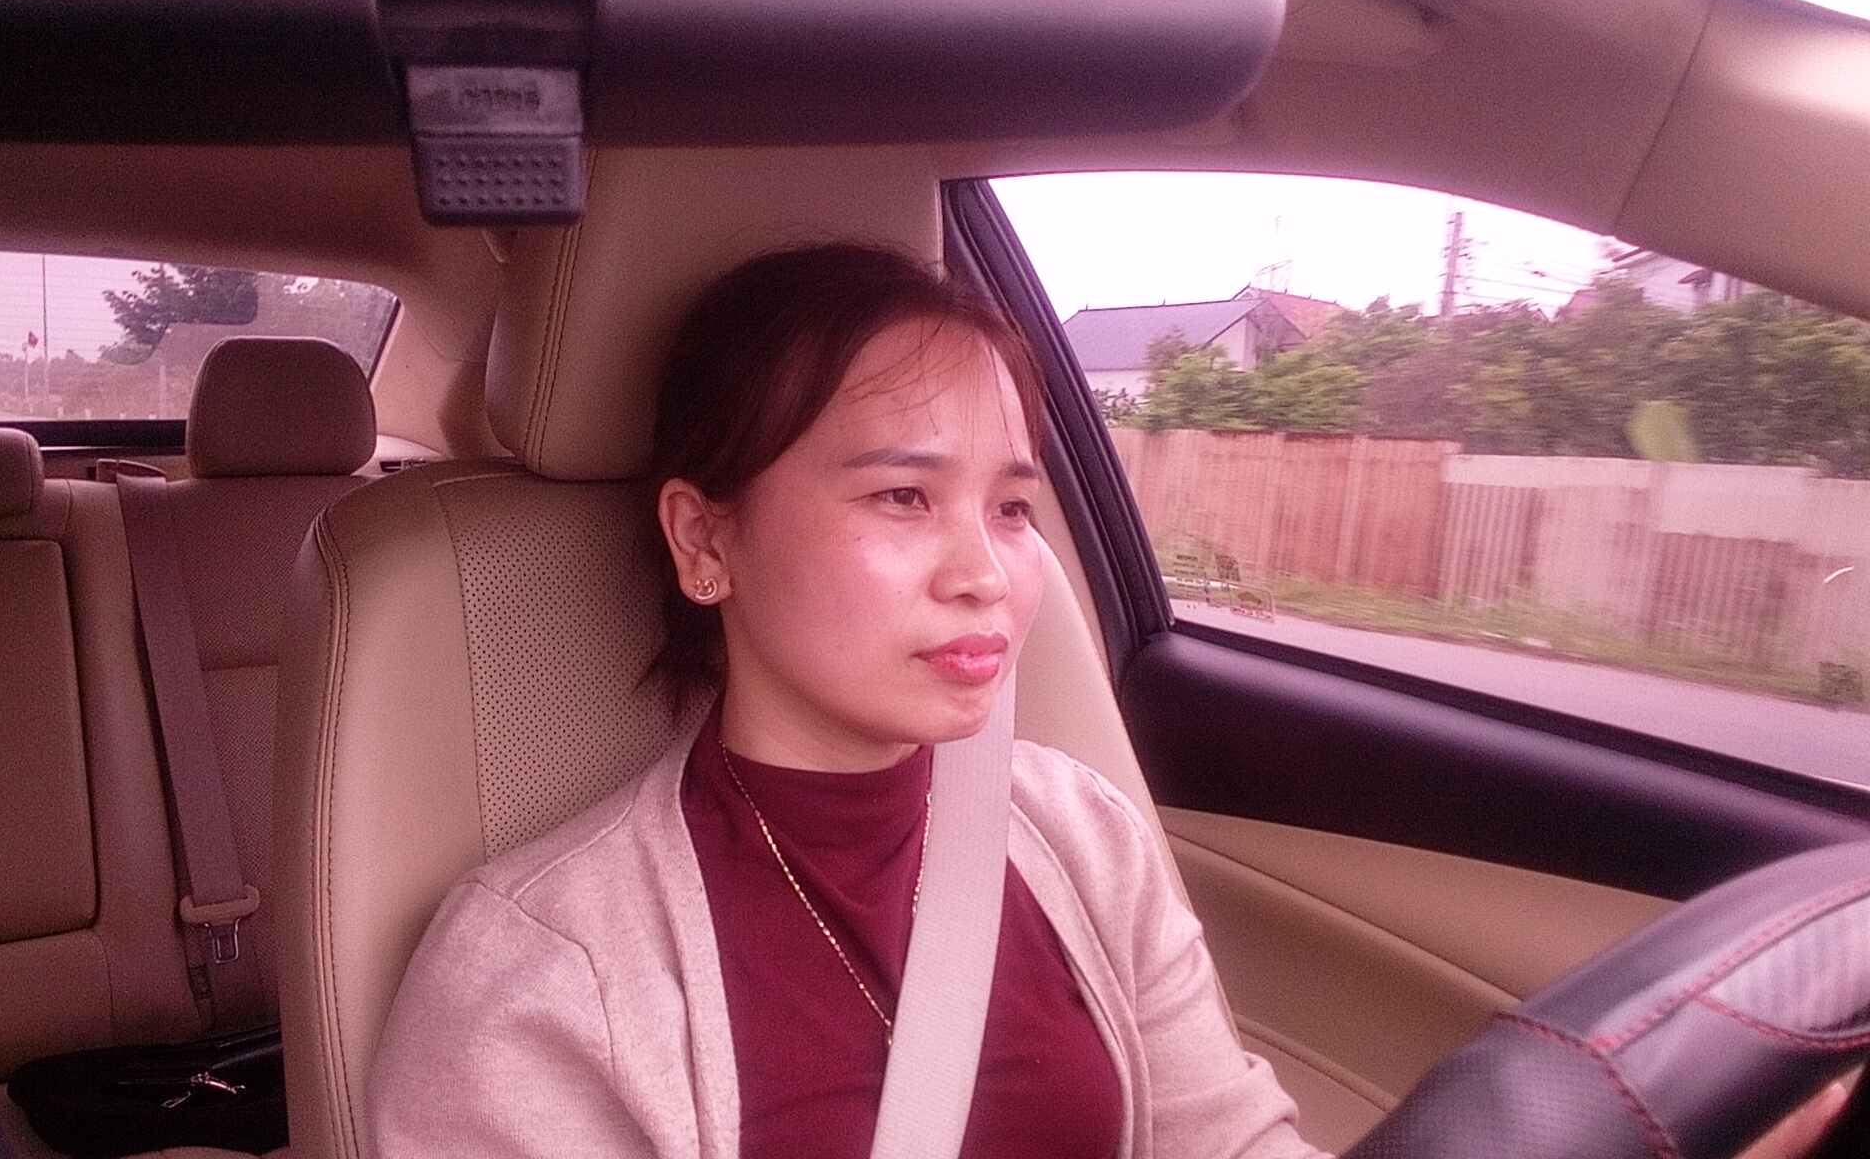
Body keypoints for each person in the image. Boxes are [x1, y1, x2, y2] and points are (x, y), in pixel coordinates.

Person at [365, 243, 1846, 1158]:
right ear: (705, 540)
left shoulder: (1072, 830)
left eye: (1013, 509)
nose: (987, 575)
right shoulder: (540, 976)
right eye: (901, 497)